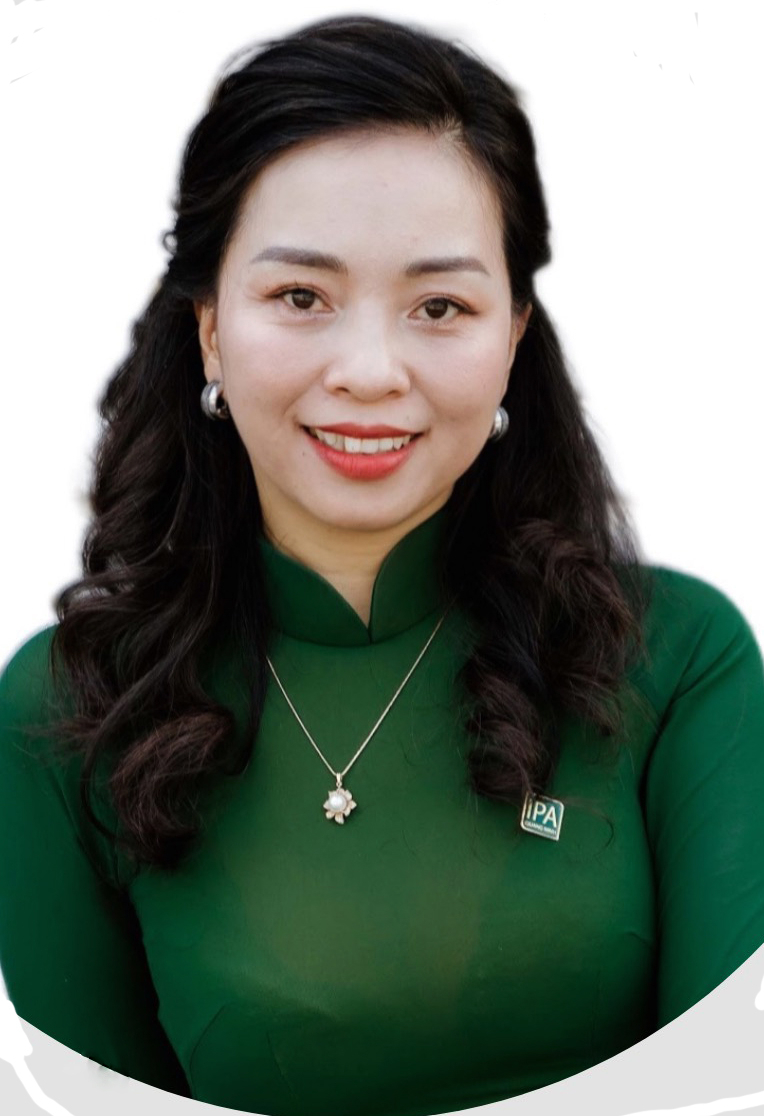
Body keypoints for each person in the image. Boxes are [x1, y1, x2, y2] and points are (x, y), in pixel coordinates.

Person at [1, 14, 763, 1116]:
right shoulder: (66, 711)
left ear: (512, 335)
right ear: (210, 327)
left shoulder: (677, 660)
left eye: (439, 306)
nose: (368, 371)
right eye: (300, 297)